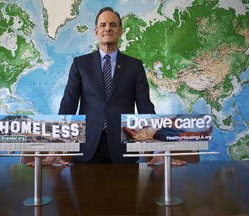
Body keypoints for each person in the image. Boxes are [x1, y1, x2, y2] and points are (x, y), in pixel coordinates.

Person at [31, 7, 185, 165]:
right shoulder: (80, 64)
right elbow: (68, 106)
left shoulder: (135, 66)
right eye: (103, 25)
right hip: (86, 149)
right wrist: (56, 148)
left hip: (123, 150)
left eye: (113, 25)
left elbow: (145, 108)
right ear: (96, 31)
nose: (108, 28)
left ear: (120, 31)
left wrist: (158, 150)